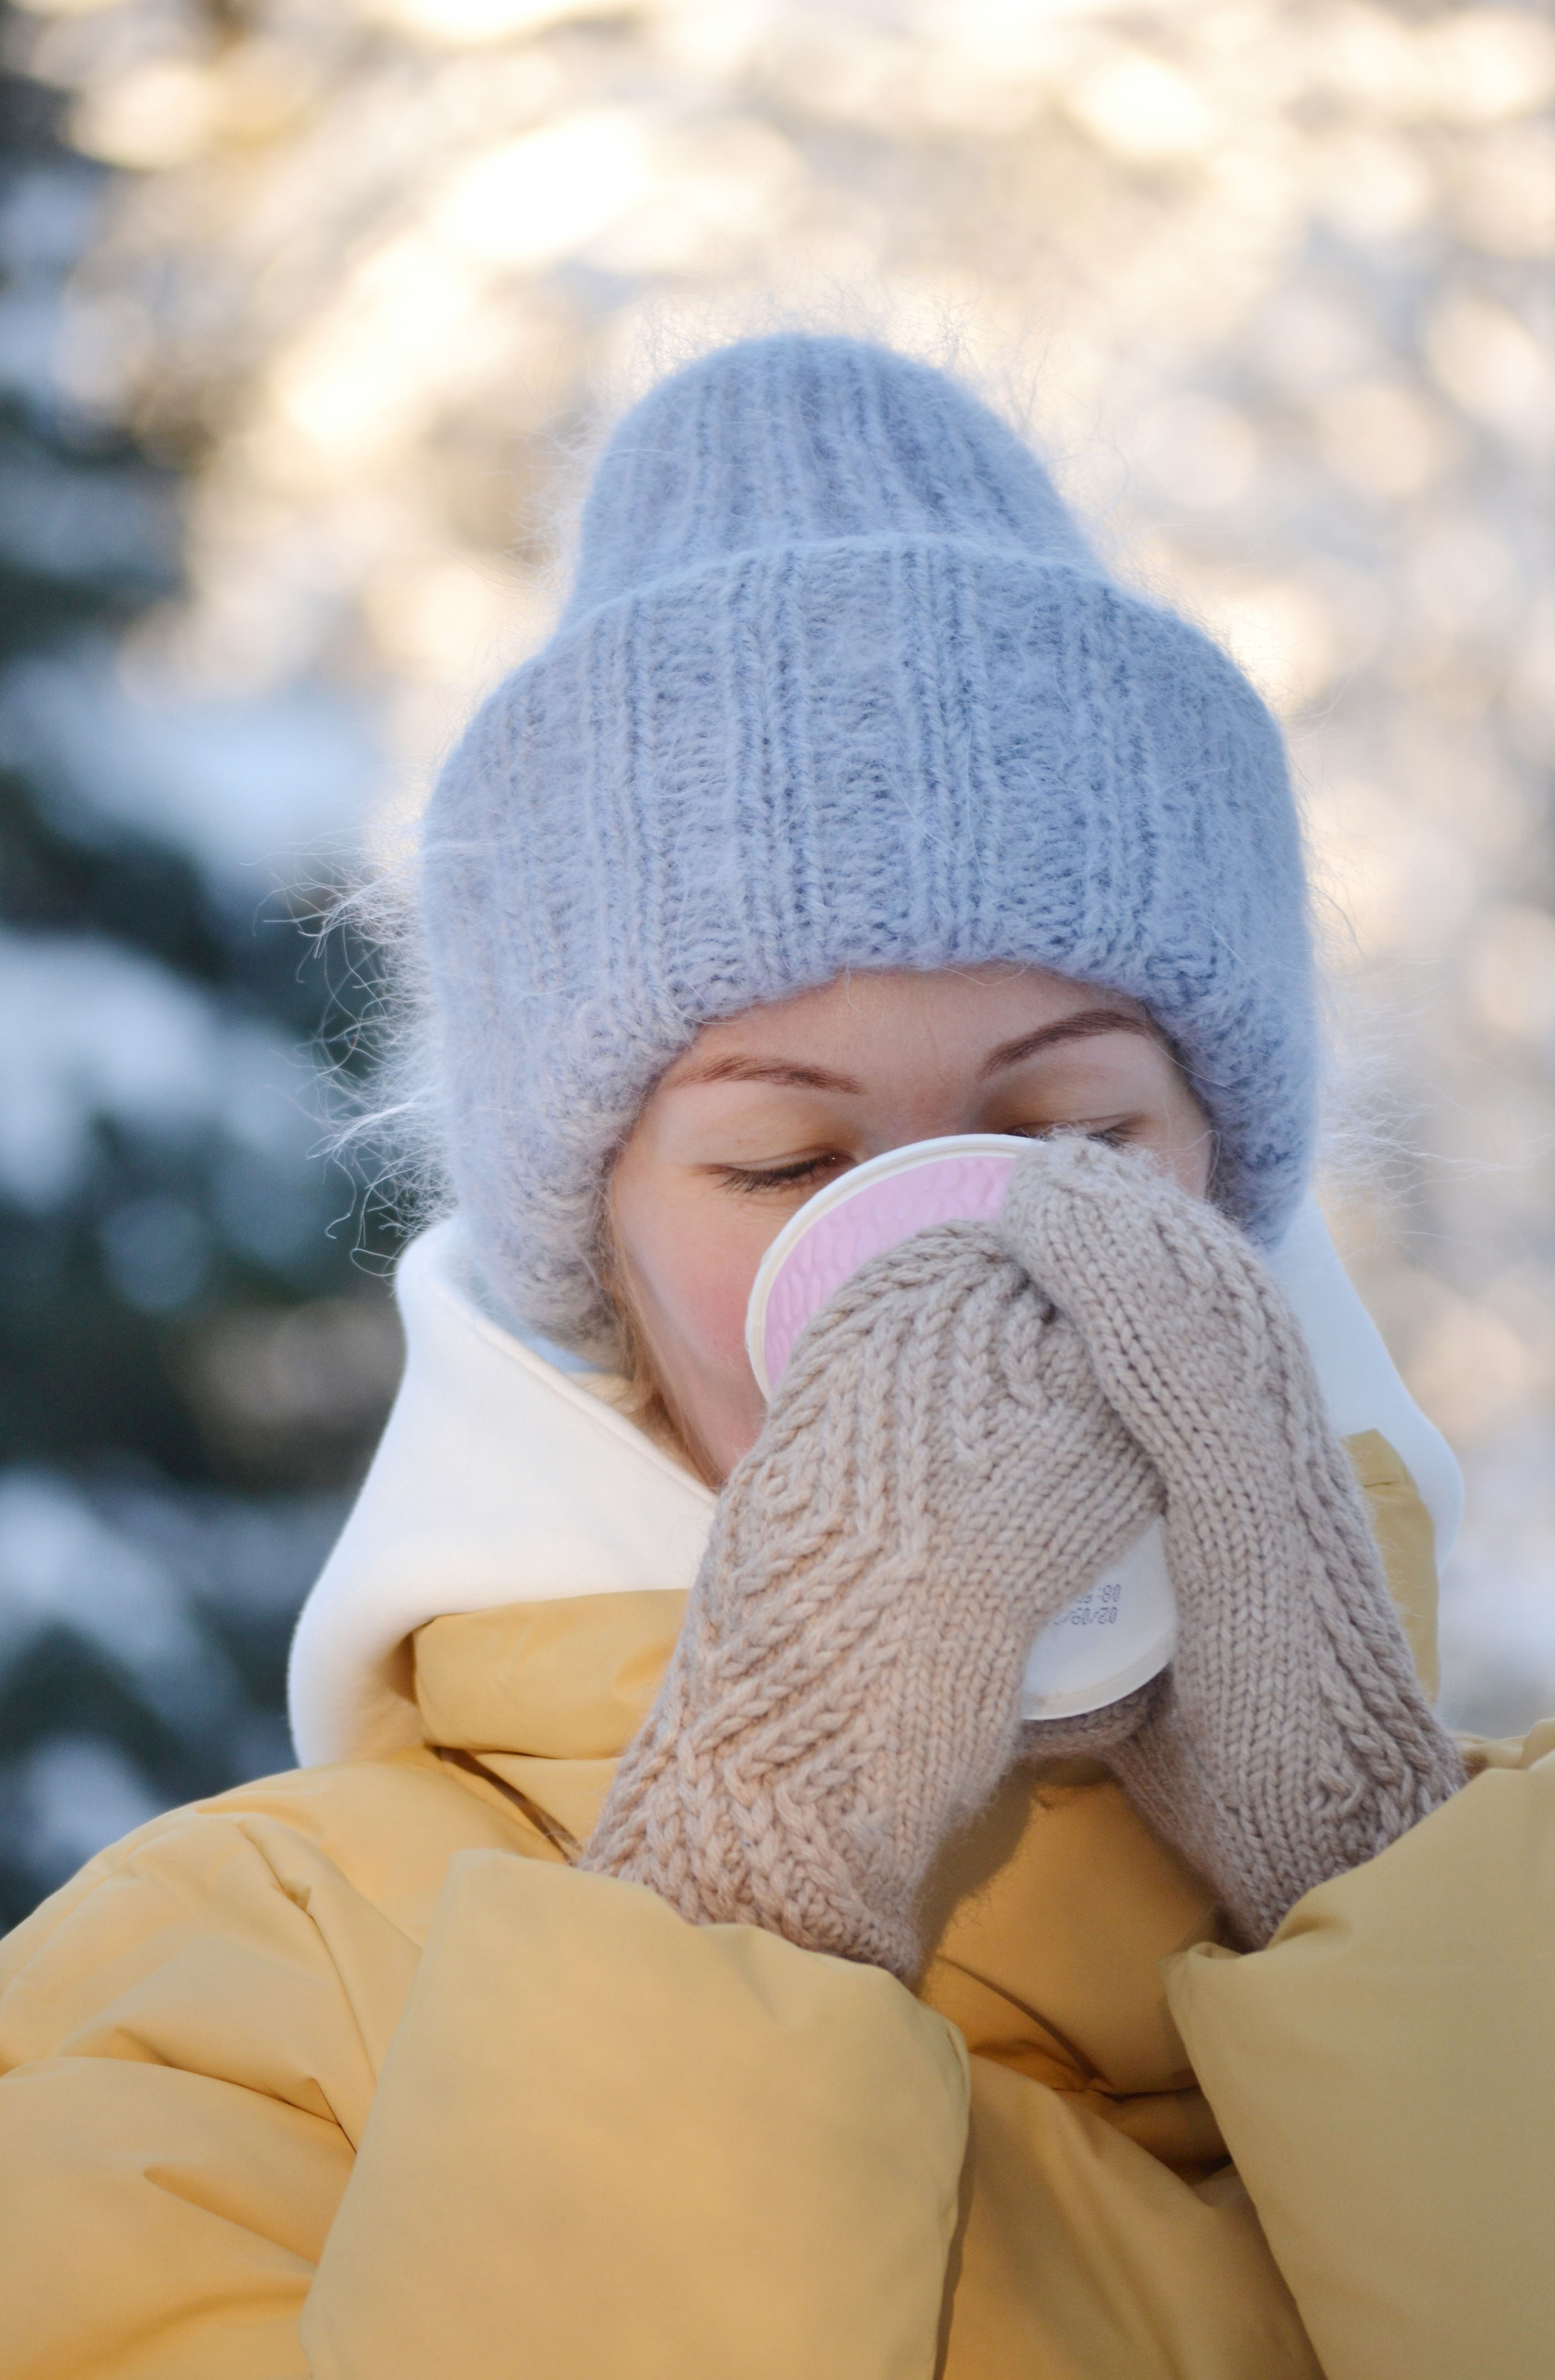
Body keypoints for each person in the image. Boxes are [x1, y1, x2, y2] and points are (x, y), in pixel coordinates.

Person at [1, 335, 1550, 2380]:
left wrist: (1369, 1869)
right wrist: (758, 1857)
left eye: (1073, 1140)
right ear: (595, 1258)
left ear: (1232, 1193)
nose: (962, 1269)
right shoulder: (229, 1987)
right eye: (791, 1158)